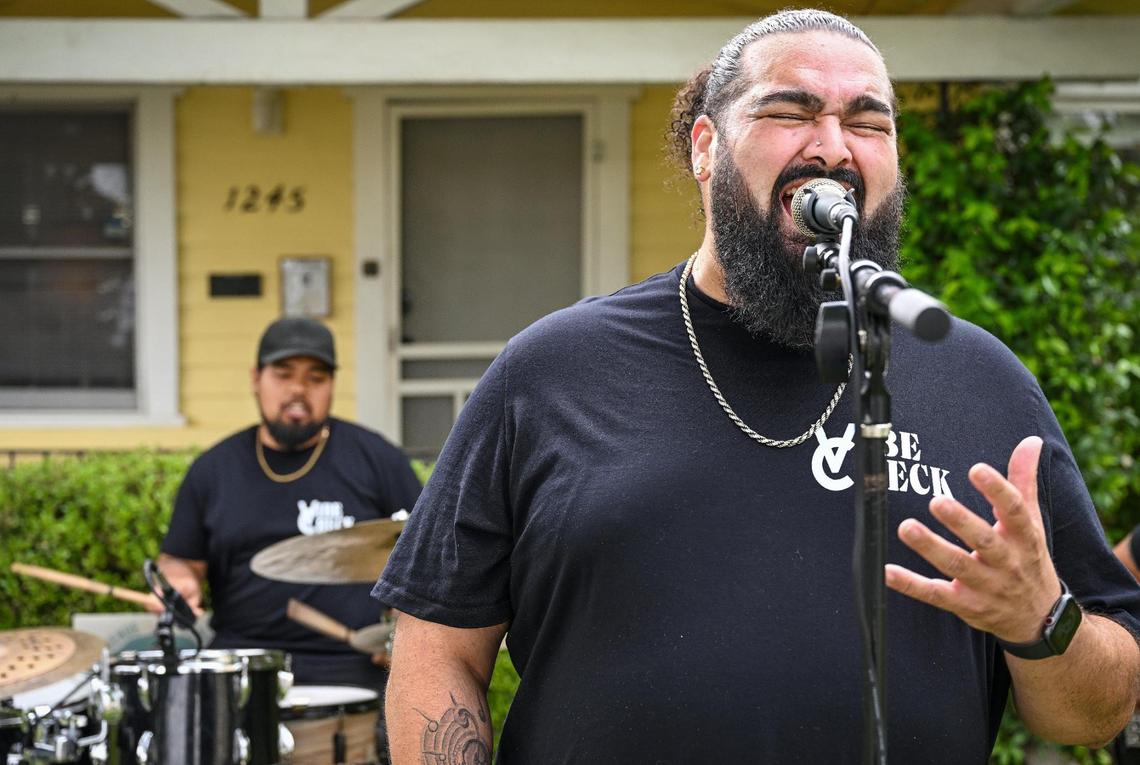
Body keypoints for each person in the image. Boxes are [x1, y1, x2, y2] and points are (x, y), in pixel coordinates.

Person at [372, 10, 1140, 763]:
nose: (834, 147)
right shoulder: (549, 372)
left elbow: (1094, 716)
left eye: (869, 122)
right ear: (706, 147)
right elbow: (438, 647)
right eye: (791, 111)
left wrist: (1045, 619)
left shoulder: (980, 379)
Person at [156, 316, 422, 690]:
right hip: (241, 666)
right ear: (255, 379)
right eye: (283, 374)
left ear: (331, 386)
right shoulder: (213, 470)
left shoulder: (377, 460)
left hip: (349, 667)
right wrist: (179, 582)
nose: (298, 389)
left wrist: (403, 632)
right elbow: (180, 562)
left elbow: (426, 561)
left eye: (316, 378)